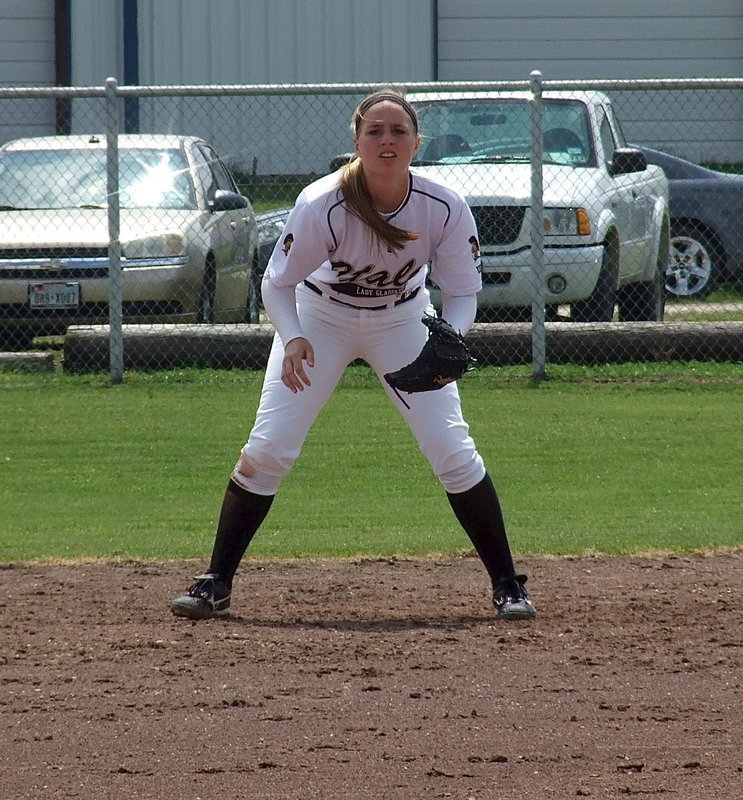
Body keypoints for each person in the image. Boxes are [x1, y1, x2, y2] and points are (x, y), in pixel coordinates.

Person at [171, 90, 536, 622]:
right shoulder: (323, 202)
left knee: (452, 452)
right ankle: (215, 582)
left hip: (403, 320)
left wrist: (450, 336)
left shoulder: (444, 205)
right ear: (357, 142)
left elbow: (462, 293)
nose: (387, 140)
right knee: (269, 449)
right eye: (375, 131)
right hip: (321, 319)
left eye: (398, 131)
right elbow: (277, 284)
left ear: (416, 142)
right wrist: (292, 336)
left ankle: (508, 584)